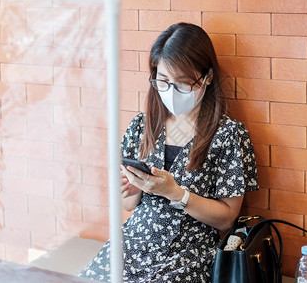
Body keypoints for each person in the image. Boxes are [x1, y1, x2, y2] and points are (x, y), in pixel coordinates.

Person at [80, 22, 258, 282]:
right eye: (163, 81)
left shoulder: (229, 135)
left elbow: (227, 220)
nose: (171, 91)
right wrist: (134, 187)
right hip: (134, 240)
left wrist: (175, 193)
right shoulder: (141, 126)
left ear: (207, 77)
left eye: (183, 83)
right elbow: (130, 205)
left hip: (190, 250)